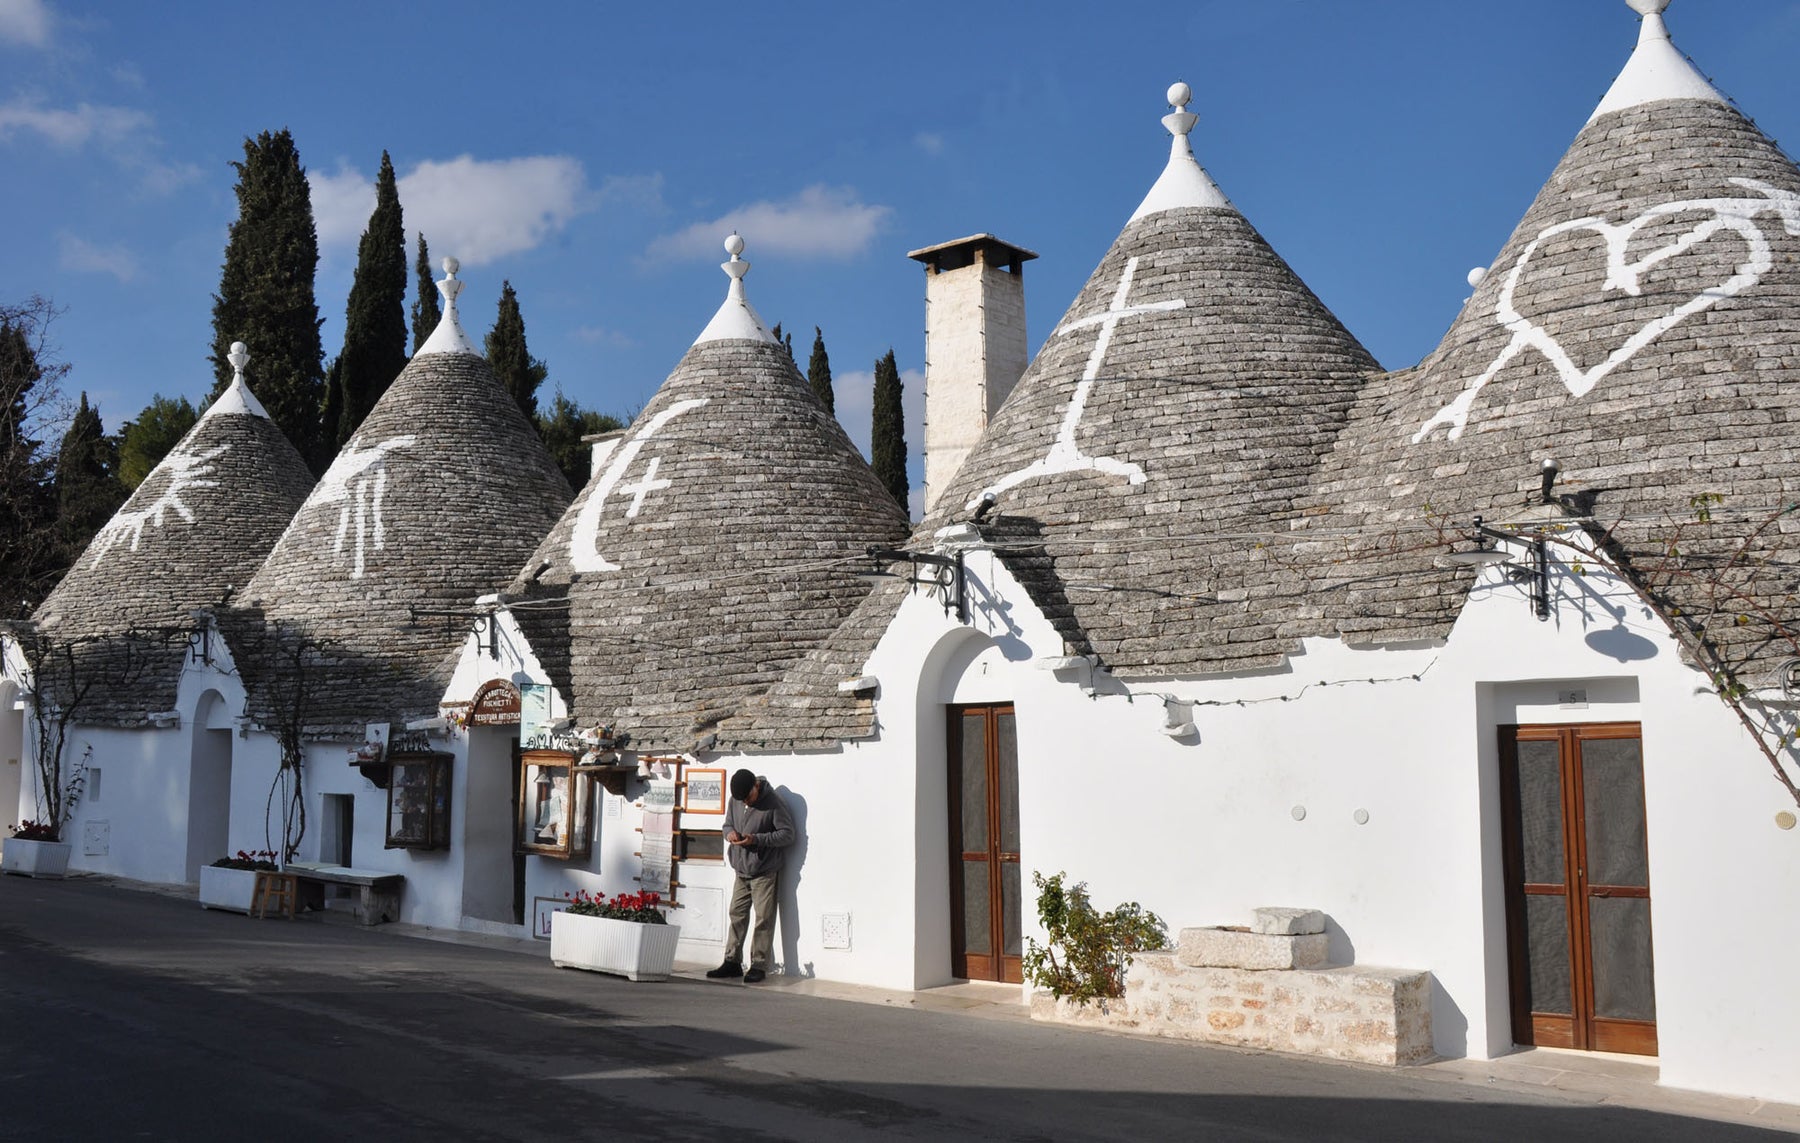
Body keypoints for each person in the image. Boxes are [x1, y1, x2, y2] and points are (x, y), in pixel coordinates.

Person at [706, 769, 795, 984]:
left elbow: (787, 834)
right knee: (736, 913)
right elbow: (727, 824)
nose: (746, 802)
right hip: (741, 868)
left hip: (764, 870)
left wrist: (756, 839)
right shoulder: (735, 800)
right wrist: (730, 834)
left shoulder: (774, 802)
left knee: (764, 918)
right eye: (742, 799)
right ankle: (732, 961)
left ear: (756, 786)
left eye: (748, 797)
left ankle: (759, 965)